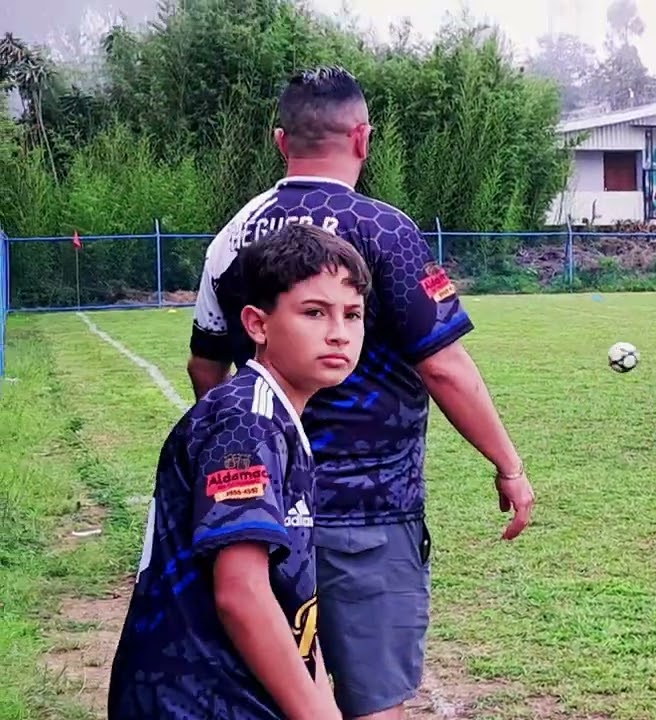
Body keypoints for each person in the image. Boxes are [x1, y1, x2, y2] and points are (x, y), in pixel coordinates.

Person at [186, 66, 535, 720]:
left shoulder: (235, 233)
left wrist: (252, 453)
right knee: (372, 703)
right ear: (364, 139)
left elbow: (207, 371)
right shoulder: (384, 229)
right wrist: (509, 466)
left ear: (279, 140)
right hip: (370, 513)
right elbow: (444, 366)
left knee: (283, 696)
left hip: (262, 517)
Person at [109, 224, 371, 719]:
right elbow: (241, 591)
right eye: (314, 312)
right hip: (199, 698)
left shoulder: (275, 416)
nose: (339, 331)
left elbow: (290, 594)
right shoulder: (246, 421)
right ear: (257, 324)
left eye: (352, 314)